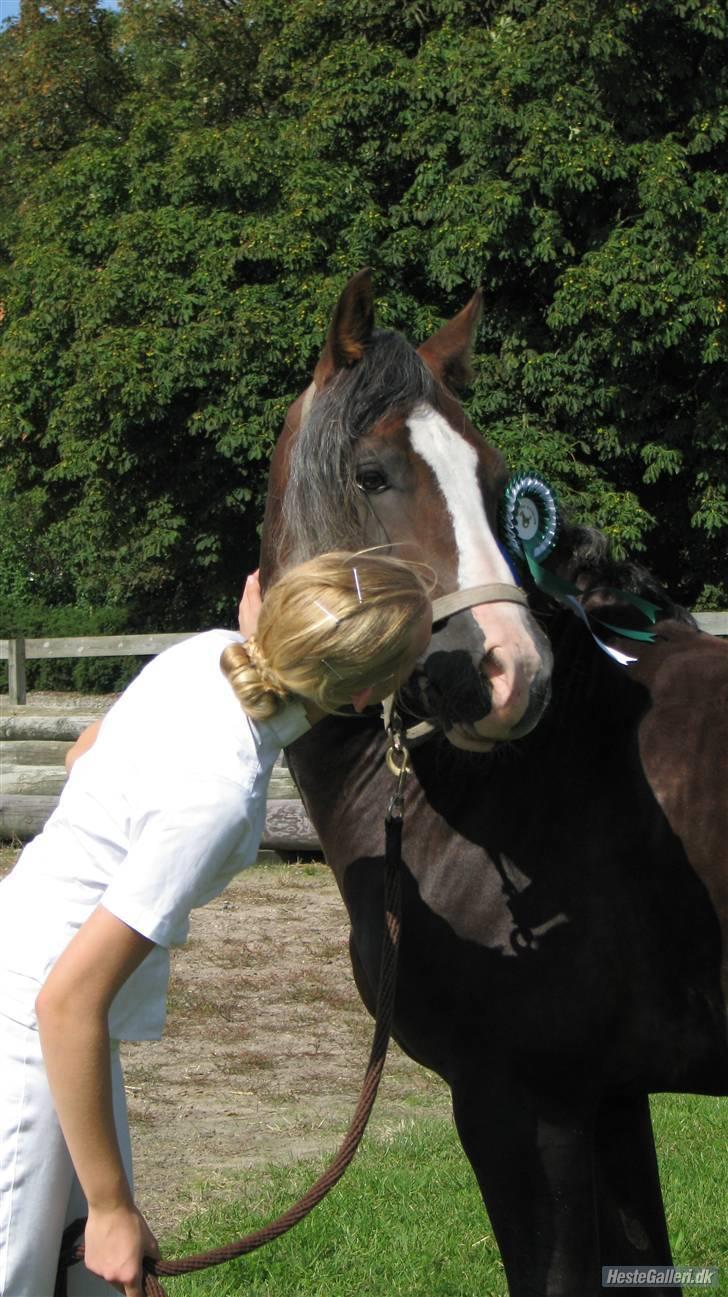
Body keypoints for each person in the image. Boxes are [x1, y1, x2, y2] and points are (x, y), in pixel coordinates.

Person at [0, 551, 432, 1297]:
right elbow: (64, 1002)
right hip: (37, 1029)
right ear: (365, 694)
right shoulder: (223, 795)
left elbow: (83, 756)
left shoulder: (203, 653)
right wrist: (107, 1206)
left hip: (51, 1012)